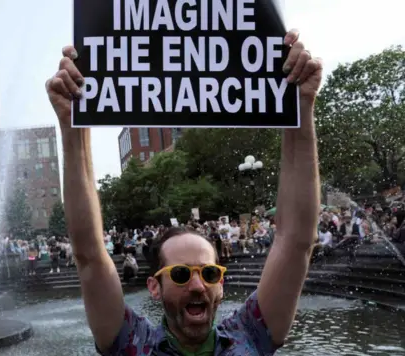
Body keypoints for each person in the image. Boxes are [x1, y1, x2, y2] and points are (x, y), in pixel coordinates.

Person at [46, 28, 322, 355]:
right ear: (154, 287)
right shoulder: (132, 343)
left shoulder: (250, 336)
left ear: (221, 283)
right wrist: (72, 123)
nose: (196, 285)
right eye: (179, 274)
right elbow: (90, 255)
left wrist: (301, 107)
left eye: (208, 272)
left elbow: (295, 242)